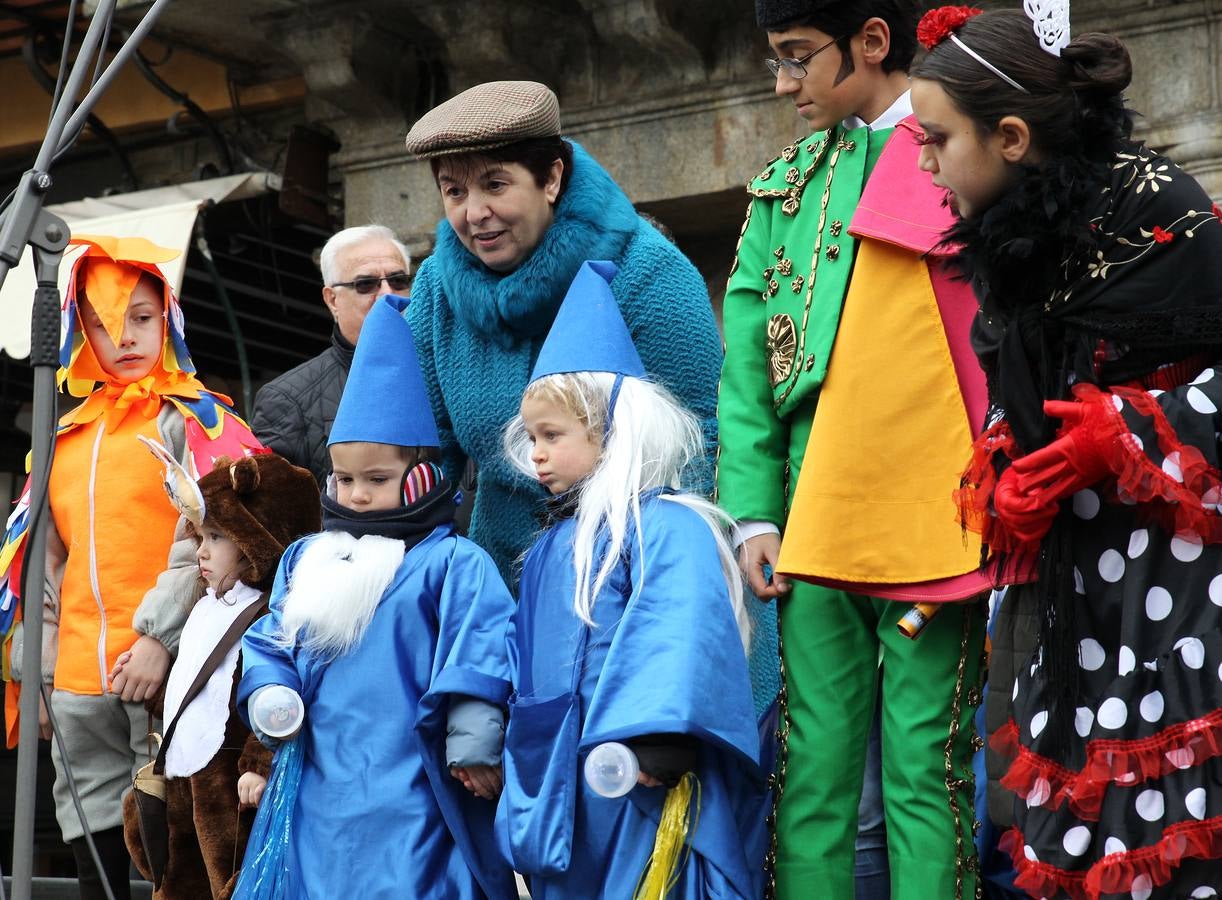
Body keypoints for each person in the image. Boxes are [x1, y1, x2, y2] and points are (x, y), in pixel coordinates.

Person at [912, 6, 1222, 897]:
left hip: (1183, 598)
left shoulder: (1166, 212)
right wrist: (1011, 476)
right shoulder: (1009, 245)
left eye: (935, 137)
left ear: (1009, 136)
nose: (922, 162)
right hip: (1075, 608)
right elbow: (1023, 400)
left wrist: (1122, 435)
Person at [717, 2, 993, 897]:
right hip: (810, 517)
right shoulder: (781, 190)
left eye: (799, 59)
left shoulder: (971, 158)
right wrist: (756, 512)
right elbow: (749, 373)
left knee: (925, 766)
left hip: (941, 513)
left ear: (873, 42)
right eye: (779, 61)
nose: (783, 84)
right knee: (813, 770)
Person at [0, 235, 262, 900]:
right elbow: (40, 565)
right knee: (90, 837)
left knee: (174, 844)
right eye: (104, 322)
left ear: (167, 317)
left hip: (174, 675)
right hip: (78, 684)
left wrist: (158, 638)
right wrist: (39, 671)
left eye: (141, 318)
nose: (124, 336)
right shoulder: (59, 440)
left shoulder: (197, 420)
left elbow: (211, 536)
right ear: (78, 329)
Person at [498, 261, 768, 898]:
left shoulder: (667, 527)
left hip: (640, 771)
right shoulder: (547, 548)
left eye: (553, 436)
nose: (535, 453)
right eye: (532, 436)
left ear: (613, 434)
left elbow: (680, 629)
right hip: (562, 778)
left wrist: (660, 736)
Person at [234, 293, 517, 899]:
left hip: (414, 780)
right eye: (345, 479)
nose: (357, 495)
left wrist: (473, 744)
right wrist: (271, 692)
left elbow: (481, 652)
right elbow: (270, 639)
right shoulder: (305, 559)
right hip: (316, 781)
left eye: (377, 480)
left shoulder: (452, 563)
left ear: (420, 476)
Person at [118, 450, 320, 900]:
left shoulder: (272, 615)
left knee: (227, 876)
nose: (202, 550)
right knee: (175, 883)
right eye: (200, 536)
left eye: (216, 536)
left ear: (258, 540)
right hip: (183, 772)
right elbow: (200, 683)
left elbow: (281, 693)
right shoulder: (207, 602)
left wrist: (258, 760)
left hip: (229, 779)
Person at [249, 224, 411, 485]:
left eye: (398, 280)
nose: (387, 294)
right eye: (366, 284)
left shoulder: (450, 371)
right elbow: (272, 512)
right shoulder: (287, 400)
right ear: (332, 300)